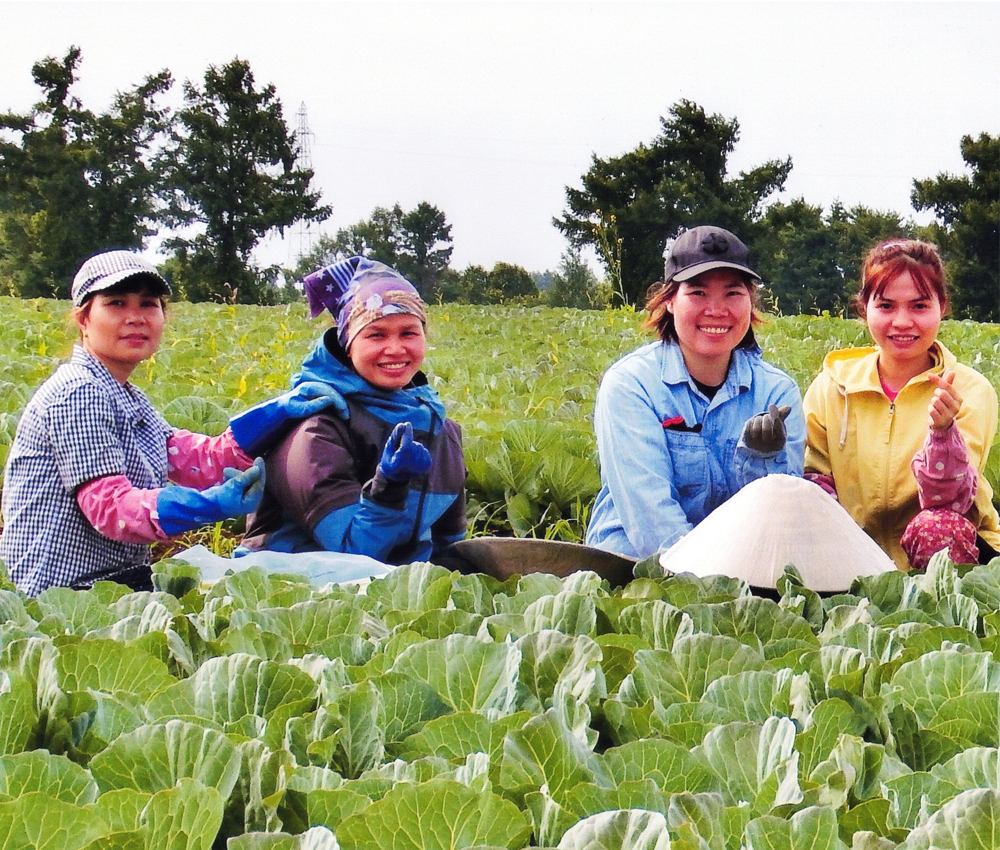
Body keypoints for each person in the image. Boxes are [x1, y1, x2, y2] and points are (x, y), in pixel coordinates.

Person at [0, 250, 345, 595]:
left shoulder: (125, 395)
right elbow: (111, 509)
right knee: (249, 593)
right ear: (83, 319)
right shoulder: (78, 392)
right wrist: (209, 505)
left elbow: (195, 459)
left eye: (148, 304)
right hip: (61, 594)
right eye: (116, 303)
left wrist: (274, 414)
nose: (135, 317)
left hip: (110, 581)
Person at [585, 225, 805, 560]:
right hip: (635, 568)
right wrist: (708, 582)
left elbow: (781, 522)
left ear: (751, 302)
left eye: (733, 293)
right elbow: (651, 517)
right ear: (670, 300)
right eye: (698, 293)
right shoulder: (631, 384)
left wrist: (764, 461)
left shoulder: (776, 392)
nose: (716, 310)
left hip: (743, 570)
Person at [240, 256, 467, 564]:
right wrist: (389, 485)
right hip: (294, 583)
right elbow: (352, 556)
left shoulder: (442, 430)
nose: (396, 349)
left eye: (408, 333)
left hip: (395, 586)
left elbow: (448, 548)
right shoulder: (314, 427)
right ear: (348, 342)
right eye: (377, 334)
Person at [803, 238, 1000, 570]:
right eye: (886, 306)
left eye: (920, 306)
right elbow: (814, 479)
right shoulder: (831, 387)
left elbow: (951, 502)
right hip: (854, 554)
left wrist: (942, 433)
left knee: (937, 527)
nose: (903, 321)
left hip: (953, 553)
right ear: (863, 307)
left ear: (943, 307)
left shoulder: (970, 390)